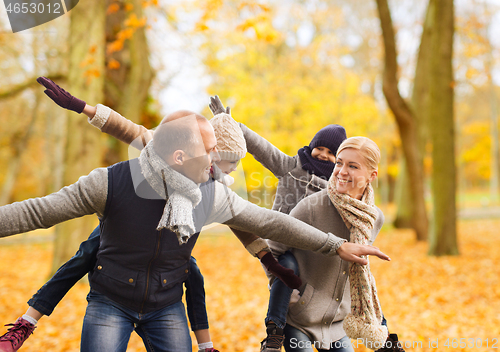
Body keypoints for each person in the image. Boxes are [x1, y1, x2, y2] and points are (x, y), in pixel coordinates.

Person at [0, 88, 390, 352]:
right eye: (210, 150)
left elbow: (271, 223)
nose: (217, 158)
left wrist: (336, 245)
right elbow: (37, 211)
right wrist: (88, 109)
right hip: (111, 298)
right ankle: (29, 319)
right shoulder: (111, 182)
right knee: (88, 249)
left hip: (165, 303)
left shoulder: (212, 192)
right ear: (180, 159)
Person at [265, 137, 404, 352]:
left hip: (337, 324)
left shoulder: (374, 218)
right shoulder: (311, 206)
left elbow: (355, 271)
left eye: (353, 166)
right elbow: (272, 248)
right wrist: (284, 288)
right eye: (339, 163)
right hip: (299, 319)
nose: (341, 171)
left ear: (372, 175)